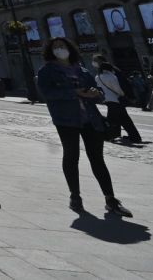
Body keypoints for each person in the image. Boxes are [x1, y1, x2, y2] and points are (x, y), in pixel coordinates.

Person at [36, 37, 132, 216]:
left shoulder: (82, 70)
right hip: (66, 120)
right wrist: (74, 93)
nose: (60, 49)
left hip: (90, 118)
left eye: (62, 46)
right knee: (71, 156)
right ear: (50, 51)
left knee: (97, 159)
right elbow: (47, 94)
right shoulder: (47, 71)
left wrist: (95, 93)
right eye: (56, 47)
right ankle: (75, 196)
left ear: (70, 49)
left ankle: (111, 199)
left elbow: (99, 93)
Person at [93, 58, 143, 144]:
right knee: (121, 119)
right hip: (116, 99)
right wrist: (123, 95)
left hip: (106, 99)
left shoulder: (97, 77)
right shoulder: (112, 76)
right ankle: (133, 137)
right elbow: (117, 89)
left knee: (118, 119)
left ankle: (115, 135)